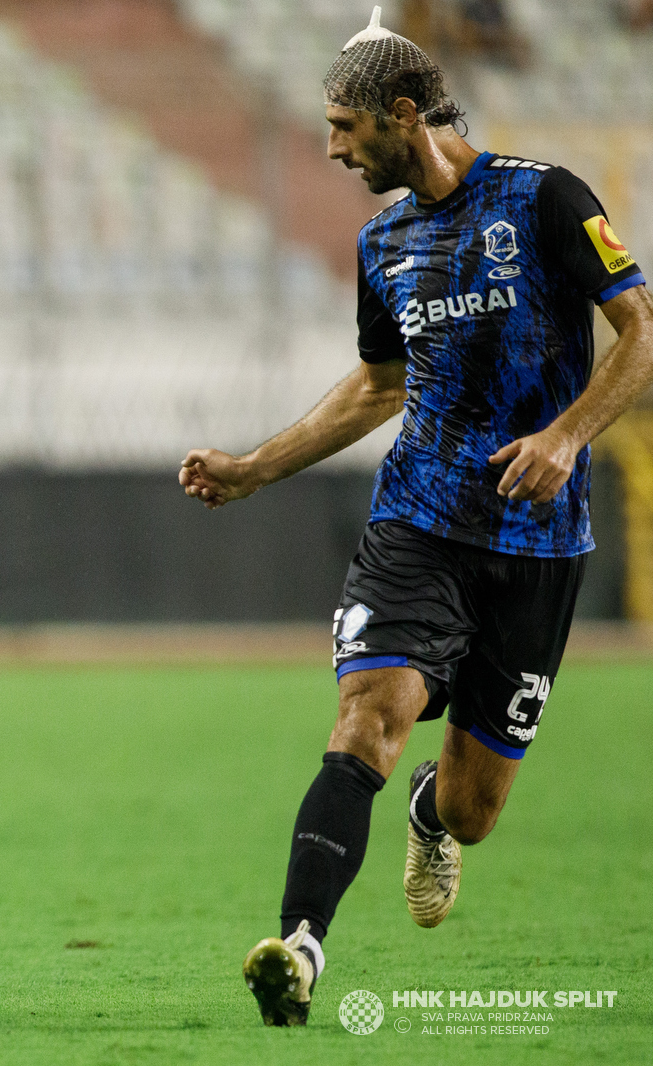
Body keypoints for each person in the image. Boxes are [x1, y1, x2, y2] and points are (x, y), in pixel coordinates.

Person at [177, 8, 652, 1027]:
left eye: (345, 128)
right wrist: (257, 466)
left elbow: (640, 331)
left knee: (475, 815)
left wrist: (567, 436)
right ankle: (300, 946)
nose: (333, 149)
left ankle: (430, 809)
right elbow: (376, 387)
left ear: (404, 112)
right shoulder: (382, 241)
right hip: (418, 526)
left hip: (539, 545)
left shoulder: (542, 199)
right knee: (365, 718)